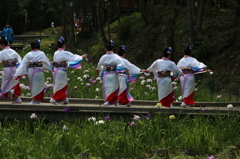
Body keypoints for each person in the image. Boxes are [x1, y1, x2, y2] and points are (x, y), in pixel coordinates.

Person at [50, 37, 87, 105]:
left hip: (55, 70)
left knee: (59, 85)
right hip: (61, 70)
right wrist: (82, 57)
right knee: (62, 85)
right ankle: (54, 98)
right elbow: (73, 57)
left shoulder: (56, 52)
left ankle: (64, 99)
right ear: (64, 45)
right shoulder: (64, 53)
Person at [14, 39, 52, 104]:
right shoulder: (41, 53)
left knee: (33, 85)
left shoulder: (28, 54)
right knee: (39, 86)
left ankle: (36, 100)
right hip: (39, 70)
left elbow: (23, 64)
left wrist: (18, 73)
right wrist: (53, 69)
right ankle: (34, 100)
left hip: (31, 71)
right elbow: (46, 63)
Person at [96, 40, 129, 106]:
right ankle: (111, 102)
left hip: (106, 74)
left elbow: (99, 66)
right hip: (114, 73)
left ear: (106, 48)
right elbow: (122, 64)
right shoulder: (116, 56)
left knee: (108, 88)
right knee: (115, 88)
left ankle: (111, 102)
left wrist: (98, 70)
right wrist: (125, 70)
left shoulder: (103, 57)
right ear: (113, 48)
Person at [0, 36, 22, 103]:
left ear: (3, 45)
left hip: (7, 69)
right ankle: (15, 96)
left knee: (5, 84)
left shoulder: (2, 52)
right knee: (11, 83)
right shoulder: (13, 51)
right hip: (14, 69)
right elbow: (20, 60)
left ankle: (12, 94)